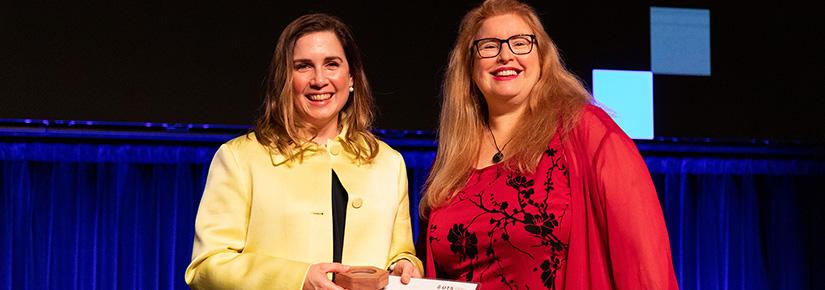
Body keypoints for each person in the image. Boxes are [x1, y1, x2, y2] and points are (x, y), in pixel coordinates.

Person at [419, 0, 679, 289]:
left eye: (520, 43)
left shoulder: (583, 130)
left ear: (542, 57)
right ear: (469, 65)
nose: (505, 55)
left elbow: (642, 251)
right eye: (489, 46)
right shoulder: (451, 159)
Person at [184, 13, 422, 290]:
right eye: (303, 66)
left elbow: (401, 252)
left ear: (352, 77)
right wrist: (297, 279)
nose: (319, 79)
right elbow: (206, 267)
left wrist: (406, 264)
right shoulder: (240, 158)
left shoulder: (388, 163)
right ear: (285, 78)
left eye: (332, 64)